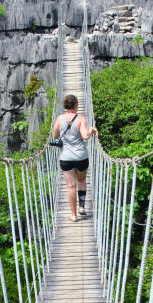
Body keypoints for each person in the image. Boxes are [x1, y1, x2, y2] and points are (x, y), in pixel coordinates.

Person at [53, 94, 97, 222]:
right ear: (76, 105)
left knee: (71, 186)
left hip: (66, 158)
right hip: (81, 157)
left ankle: (73, 215)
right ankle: (82, 208)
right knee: (82, 181)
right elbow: (85, 136)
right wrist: (91, 129)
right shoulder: (81, 118)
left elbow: (55, 136)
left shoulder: (59, 119)